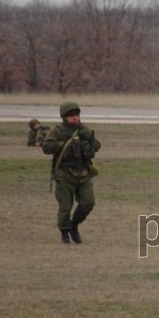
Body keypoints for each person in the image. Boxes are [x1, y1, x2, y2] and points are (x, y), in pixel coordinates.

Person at [42, 101, 101, 244]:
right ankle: (64, 232)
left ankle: (74, 225)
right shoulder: (57, 131)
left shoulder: (83, 129)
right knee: (65, 207)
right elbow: (46, 147)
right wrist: (63, 144)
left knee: (88, 202)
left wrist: (89, 138)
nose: (75, 117)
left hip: (84, 174)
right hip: (65, 174)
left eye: (77, 115)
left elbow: (97, 146)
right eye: (71, 115)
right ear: (64, 117)